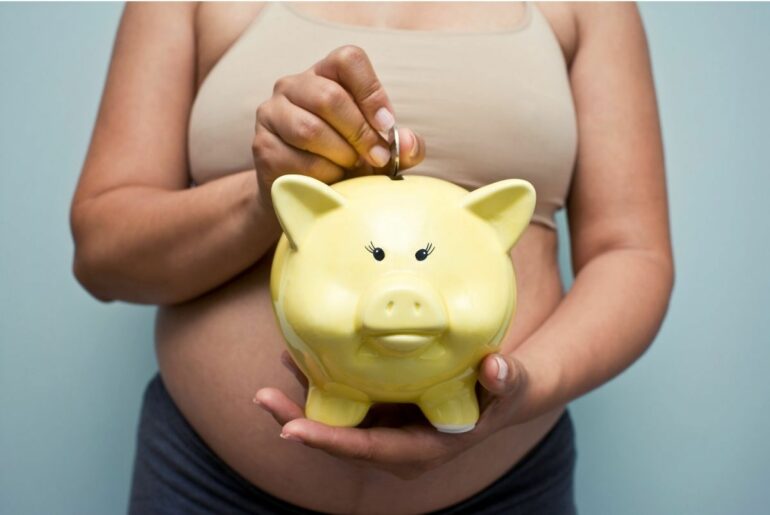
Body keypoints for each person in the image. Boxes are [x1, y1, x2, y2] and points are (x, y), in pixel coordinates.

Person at [70, 2, 674, 514]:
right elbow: (102, 255)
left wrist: (524, 388)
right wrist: (263, 198)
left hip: (505, 486)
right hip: (208, 483)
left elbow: (631, 253)